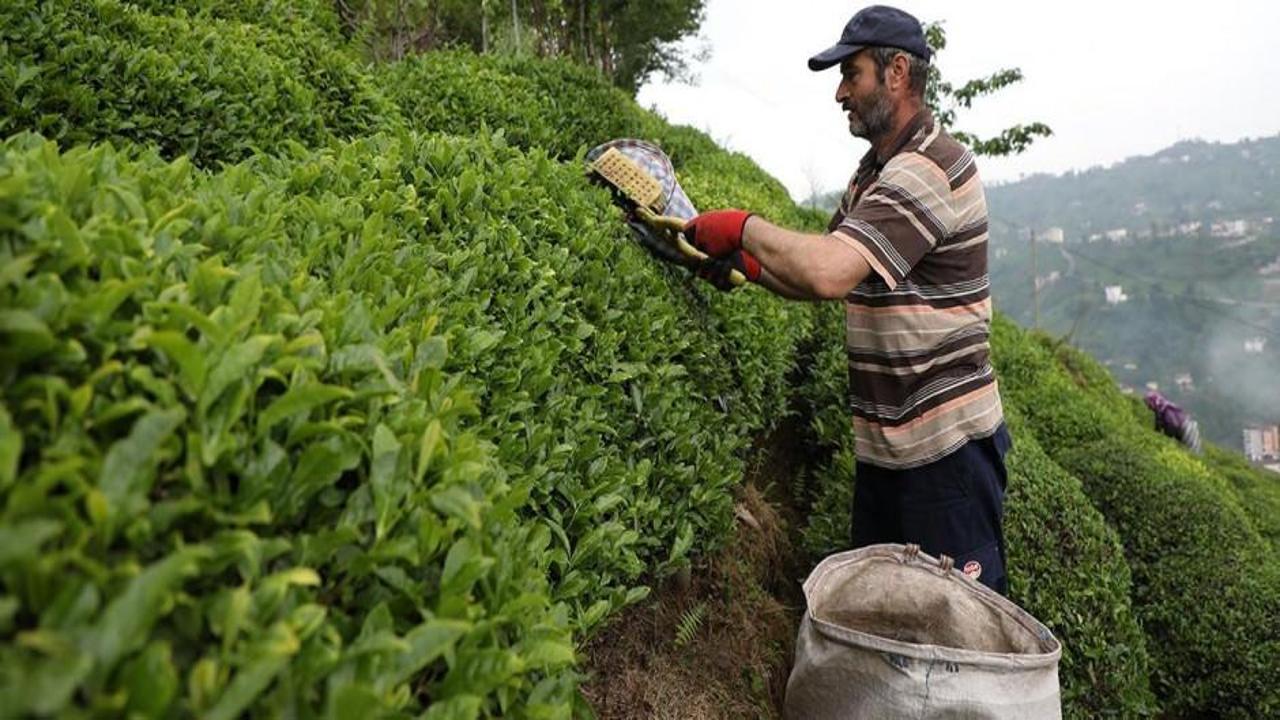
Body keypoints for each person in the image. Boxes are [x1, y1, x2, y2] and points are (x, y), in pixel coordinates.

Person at [683, 5, 1013, 595]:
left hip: (945, 457)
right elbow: (829, 276)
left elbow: (830, 272)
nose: (840, 93)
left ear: (896, 73)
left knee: (953, 634)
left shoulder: (931, 168)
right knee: (885, 620)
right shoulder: (876, 172)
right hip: (888, 452)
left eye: (851, 74)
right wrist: (749, 269)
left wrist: (743, 228)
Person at [1144, 390, 1203, 454]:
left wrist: (1167, 436)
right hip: (1182, 430)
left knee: (1193, 452)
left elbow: (1173, 425)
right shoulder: (1159, 411)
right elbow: (1158, 426)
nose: (1148, 407)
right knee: (1185, 451)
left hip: (1187, 429)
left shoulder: (1166, 409)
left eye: (1149, 404)